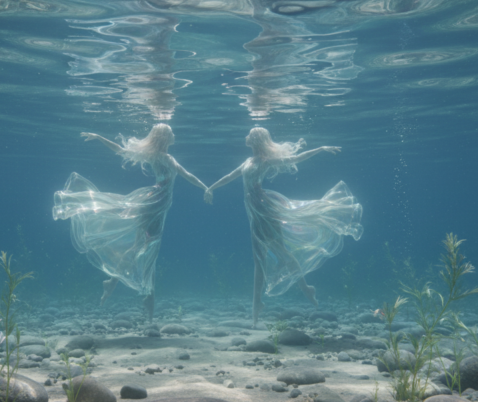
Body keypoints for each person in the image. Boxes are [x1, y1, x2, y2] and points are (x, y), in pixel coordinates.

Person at [204, 127, 363, 326]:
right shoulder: (248, 161)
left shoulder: (265, 160)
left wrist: (320, 148)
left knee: (279, 253)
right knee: (259, 257)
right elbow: (230, 177)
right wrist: (211, 188)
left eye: (249, 135)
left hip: (265, 209)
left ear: (256, 140)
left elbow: (294, 159)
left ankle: (302, 289)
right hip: (254, 211)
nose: (245, 137)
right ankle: (261, 302)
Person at [53, 124, 207, 320]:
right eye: (171, 132)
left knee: (135, 243)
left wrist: (100, 137)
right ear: (164, 137)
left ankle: (113, 282)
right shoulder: (166, 158)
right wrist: (205, 188)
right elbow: (187, 175)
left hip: (154, 203)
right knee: (149, 251)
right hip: (155, 205)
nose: (174, 134)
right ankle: (147, 302)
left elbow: (121, 151)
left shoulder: (154, 155)